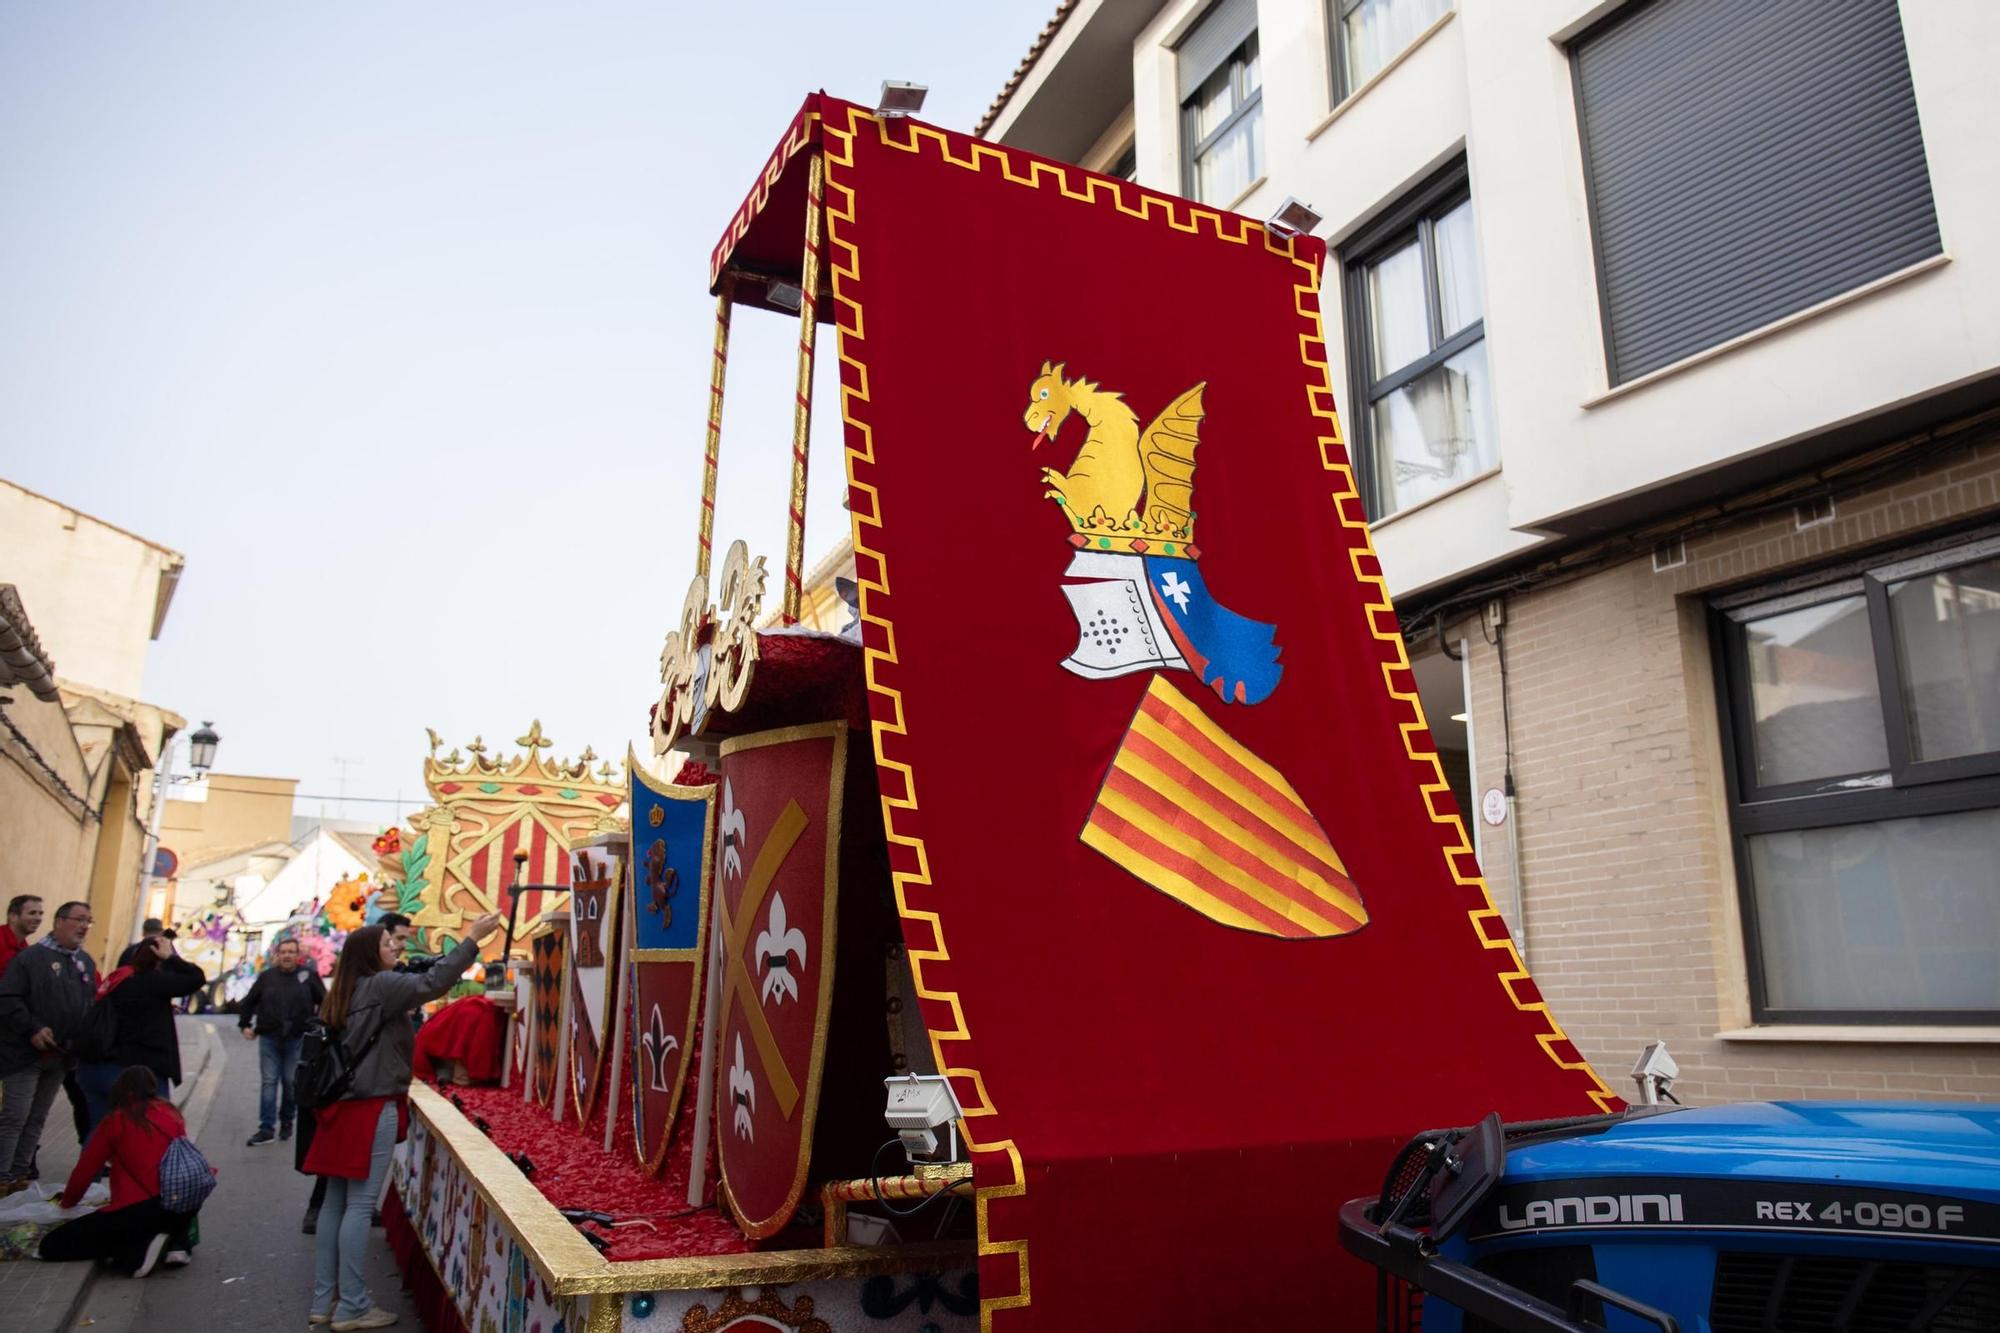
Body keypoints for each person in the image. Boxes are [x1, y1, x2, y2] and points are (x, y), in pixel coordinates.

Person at [308, 916, 499, 1330]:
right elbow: (435, 983)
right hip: (371, 1105)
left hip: (339, 1106)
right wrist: (471, 940)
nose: (395, 948)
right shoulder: (381, 986)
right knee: (359, 1205)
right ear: (370, 955)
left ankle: (324, 1301)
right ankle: (352, 1307)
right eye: (386, 944)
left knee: (335, 1203)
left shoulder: (343, 990)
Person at [37, 1064, 201, 1276]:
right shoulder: (171, 1113)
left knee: (52, 1245)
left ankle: (137, 1255)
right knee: (145, 1220)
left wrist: (67, 1204)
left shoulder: (116, 1120)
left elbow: (86, 1170)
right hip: (182, 1205)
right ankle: (176, 1242)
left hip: (138, 1208)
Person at [0, 902, 98, 1195]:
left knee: (37, 1116)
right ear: (59, 922)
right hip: (23, 1053)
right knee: (15, 1115)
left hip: (60, 1056)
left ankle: (19, 1175)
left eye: (88, 922)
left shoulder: (84, 962)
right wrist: (33, 1028)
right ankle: (1, 1174)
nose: (83, 927)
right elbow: (7, 998)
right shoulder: (32, 958)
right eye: (79, 920)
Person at [77, 936, 206, 1130]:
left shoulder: (117, 979)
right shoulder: (152, 981)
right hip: (138, 1073)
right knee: (153, 1130)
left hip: (95, 1067)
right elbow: (196, 978)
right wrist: (171, 958)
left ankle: (92, 1161)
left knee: (99, 1132)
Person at [238, 938, 326, 1147]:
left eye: (291, 952)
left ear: (298, 955)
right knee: (269, 1082)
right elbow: (249, 1001)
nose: (287, 956)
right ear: (277, 955)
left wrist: (319, 1025)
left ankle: (287, 1121)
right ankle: (266, 1128)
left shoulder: (308, 977)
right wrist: (245, 1025)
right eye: (283, 952)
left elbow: (326, 1001)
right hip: (269, 1037)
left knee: (290, 1081)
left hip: (297, 1038)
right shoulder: (266, 978)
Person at [0, 895, 43, 974]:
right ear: (13, 917)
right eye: (32, 913)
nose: (38, 918)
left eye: (40, 913)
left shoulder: (25, 949)